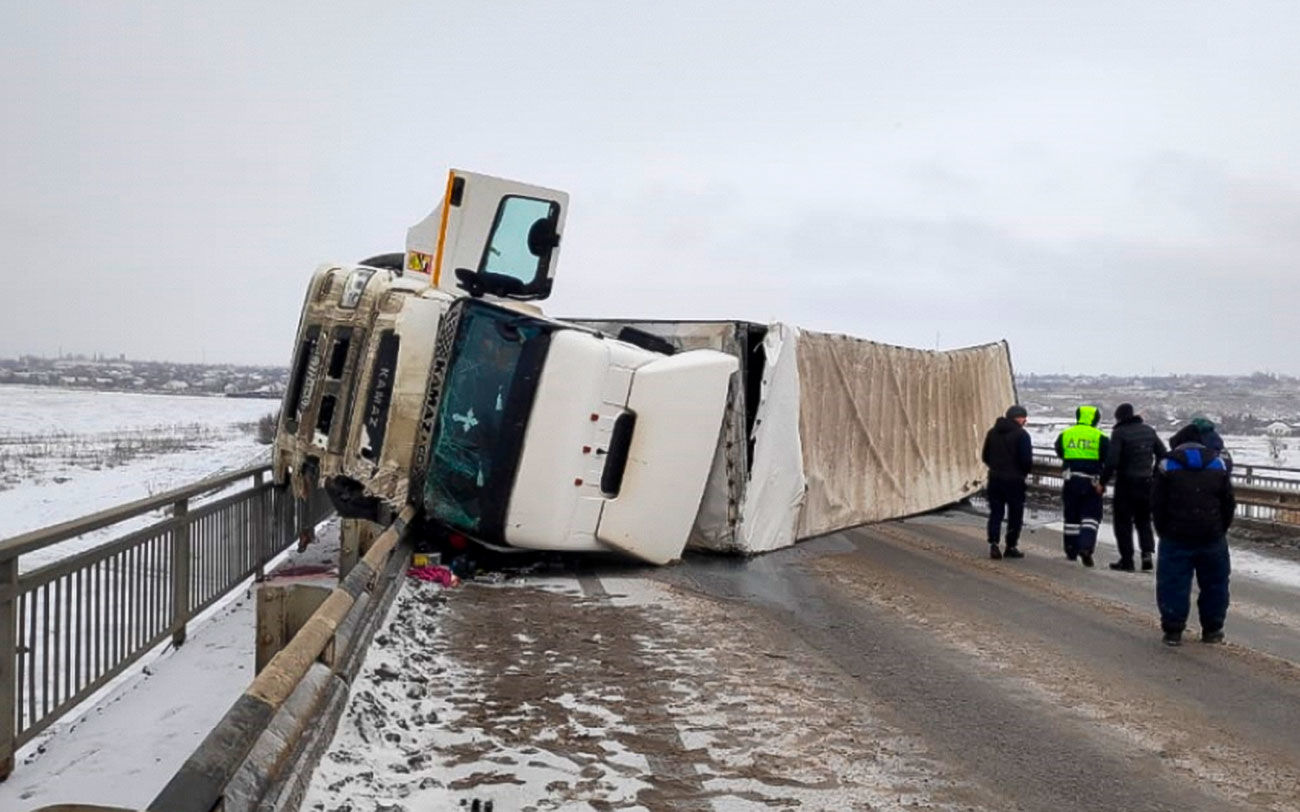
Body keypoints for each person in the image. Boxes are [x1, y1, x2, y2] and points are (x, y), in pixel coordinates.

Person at [1152, 436, 1236, 646]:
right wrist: (1219, 529)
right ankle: (1213, 629)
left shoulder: (1166, 465)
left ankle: (1173, 631)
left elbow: (1157, 503)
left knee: (1173, 583)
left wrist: (1164, 530)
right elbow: (1228, 503)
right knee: (1215, 583)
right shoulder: (1218, 464)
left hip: (1176, 535)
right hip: (1212, 536)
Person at [1101, 403, 1167, 572]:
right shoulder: (1148, 431)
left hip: (1126, 484)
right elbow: (1163, 455)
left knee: (1123, 522)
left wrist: (1102, 482)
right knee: (1144, 520)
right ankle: (1147, 555)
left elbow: (1112, 462)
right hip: (1146, 483)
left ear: (1120, 418)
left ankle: (1127, 560)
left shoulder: (1119, 433)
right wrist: (1154, 475)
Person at [1054, 405, 1109, 567]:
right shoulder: (1100, 437)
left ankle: (1071, 550)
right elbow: (1109, 458)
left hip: (1071, 480)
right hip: (1092, 482)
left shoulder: (1066, 434)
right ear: (1096, 419)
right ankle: (1086, 547)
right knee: (1091, 516)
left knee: (1071, 516)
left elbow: (1059, 450)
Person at [982, 405, 1033, 559]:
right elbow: (1026, 460)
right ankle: (1011, 546)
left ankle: (994, 544)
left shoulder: (992, 432)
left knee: (996, 512)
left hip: (995, 478)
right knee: (1015, 514)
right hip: (1015, 481)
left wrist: (996, 468)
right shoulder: (1022, 435)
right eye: (1024, 417)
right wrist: (1022, 472)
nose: (1025, 420)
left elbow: (985, 456)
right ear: (1018, 418)